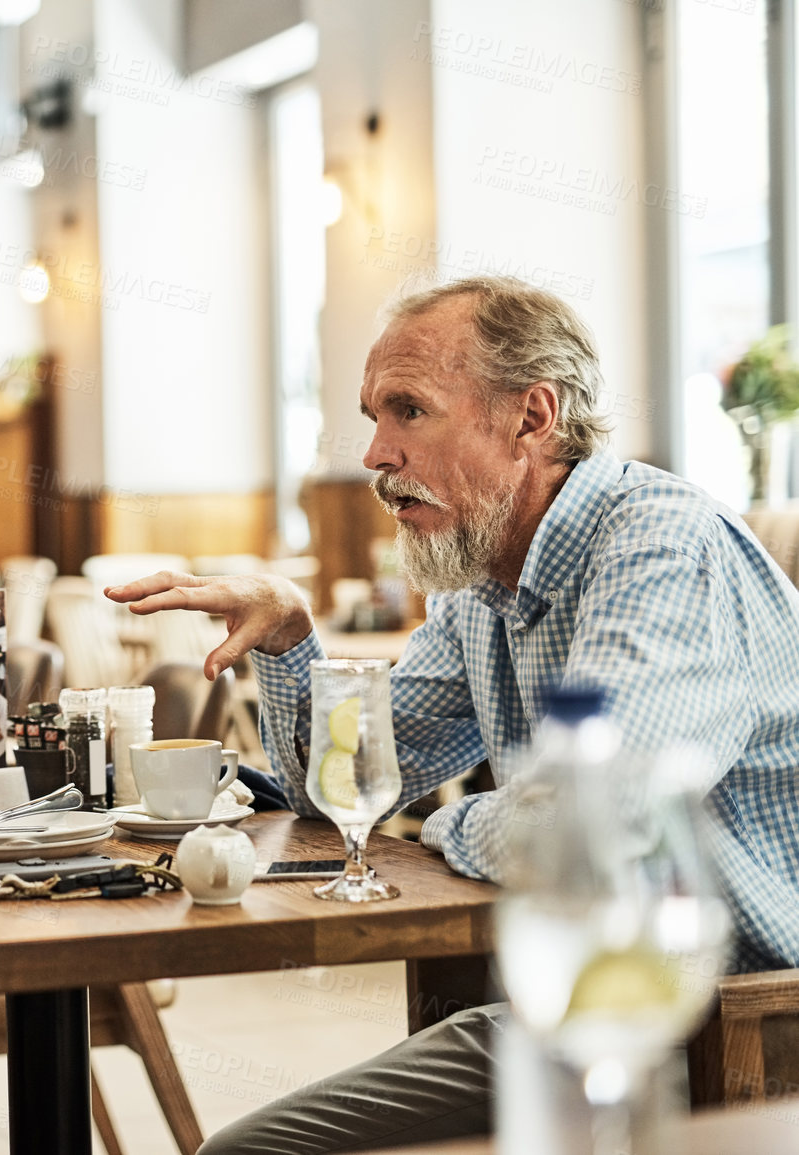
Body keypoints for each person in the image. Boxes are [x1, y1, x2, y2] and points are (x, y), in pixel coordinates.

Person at [106, 275, 799, 1153]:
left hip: (739, 1022)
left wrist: (443, 823)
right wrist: (287, 637)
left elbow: (584, 826)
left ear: (531, 417)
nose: (373, 454)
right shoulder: (483, 584)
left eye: (408, 411)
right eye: (371, 416)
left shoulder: (662, 548)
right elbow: (342, 789)